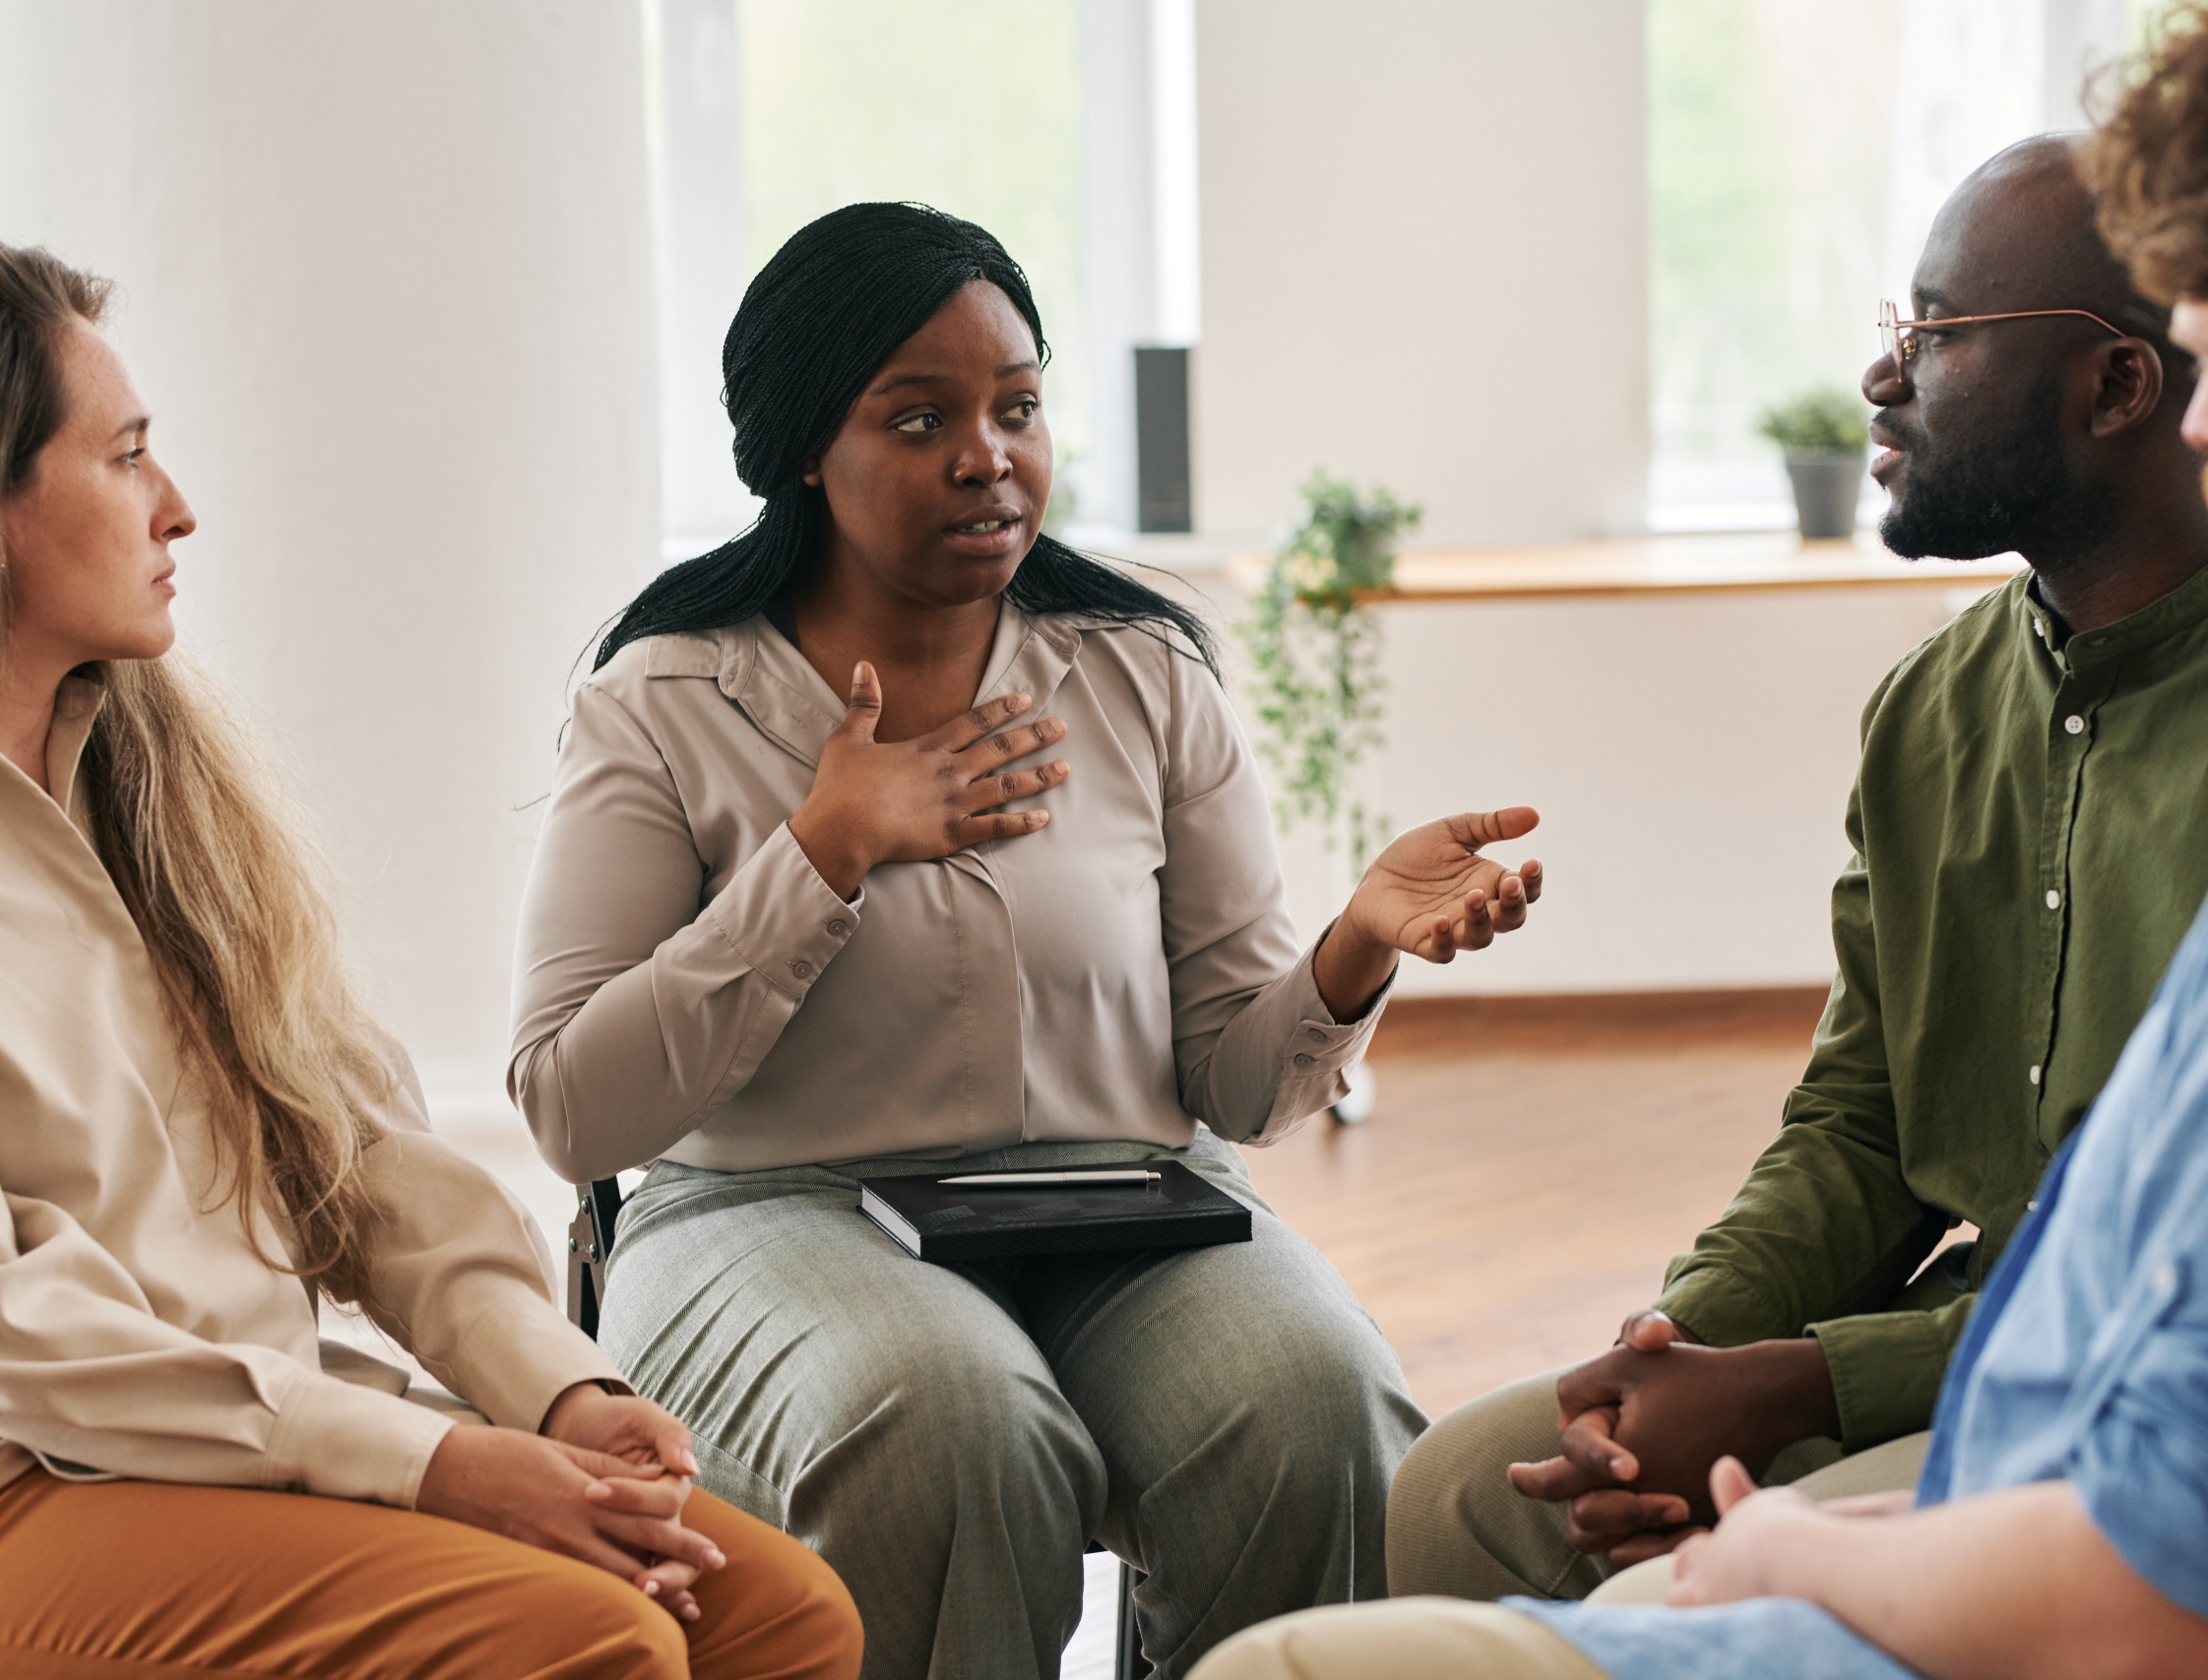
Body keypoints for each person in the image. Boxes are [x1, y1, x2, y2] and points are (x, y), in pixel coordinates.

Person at [1193, 8, 2208, 1675]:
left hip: (2108, 1407)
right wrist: (1687, 1333)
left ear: (2122, 385)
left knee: (1642, 1601)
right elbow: (1860, 1125)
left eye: (1935, 326)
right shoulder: (1933, 710)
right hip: (1931, 1339)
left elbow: (2185, 1326)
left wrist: (1803, 1380)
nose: (1880, 372)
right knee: (1465, 1492)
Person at [0, 234, 858, 1680]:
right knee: (586, 1645)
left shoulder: (155, 779)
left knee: (778, 1618)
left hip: (260, 1434)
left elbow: (366, 1153)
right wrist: (430, 1464)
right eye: (128, 458)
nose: (180, 509)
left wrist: (553, 1394)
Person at [508, 202, 1545, 1680]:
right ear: (808, 445)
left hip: (1121, 1201)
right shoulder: (668, 698)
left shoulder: (1142, 674)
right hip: (763, 1210)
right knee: (948, 1420)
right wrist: (823, 854)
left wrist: (1350, 952)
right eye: (920, 417)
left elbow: (1238, 1088)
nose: (988, 456)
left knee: (1317, 1398)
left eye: (1018, 407)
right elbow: (571, 1106)